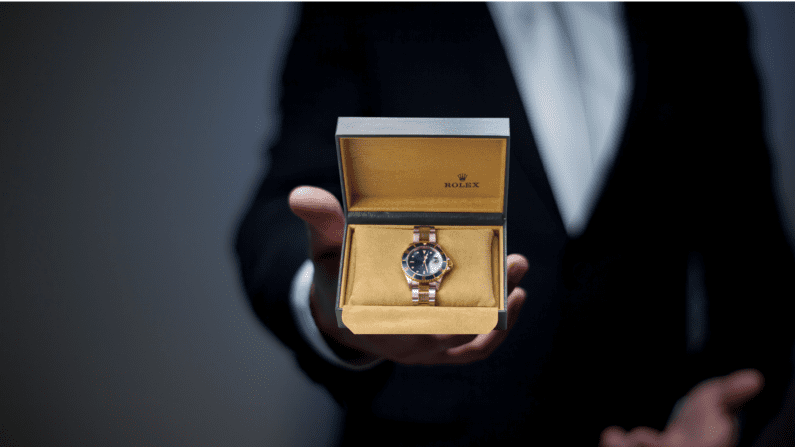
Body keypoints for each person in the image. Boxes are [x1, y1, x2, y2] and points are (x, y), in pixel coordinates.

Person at [234, 3, 795, 446]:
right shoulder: (370, 7)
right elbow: (281, 208)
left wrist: (724, 410)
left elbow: (756, 264)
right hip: (427, 435)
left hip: (641, 429)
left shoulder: (704, 16)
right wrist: (327, 300)